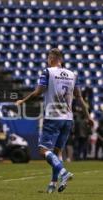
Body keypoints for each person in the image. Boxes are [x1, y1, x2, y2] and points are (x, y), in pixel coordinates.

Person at [16, 48, 93, 193]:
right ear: (61, 59)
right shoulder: (72, 74)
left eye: (47, 58)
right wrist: (88, 117)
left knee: (43, 150)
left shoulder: (48, 72)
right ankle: (52, 184)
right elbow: (80, 98)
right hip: (68, 119)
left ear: (51, 59)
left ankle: (63, 172)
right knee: (58, 151)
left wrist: (22, 101)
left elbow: (38, 92)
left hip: (53, 116)